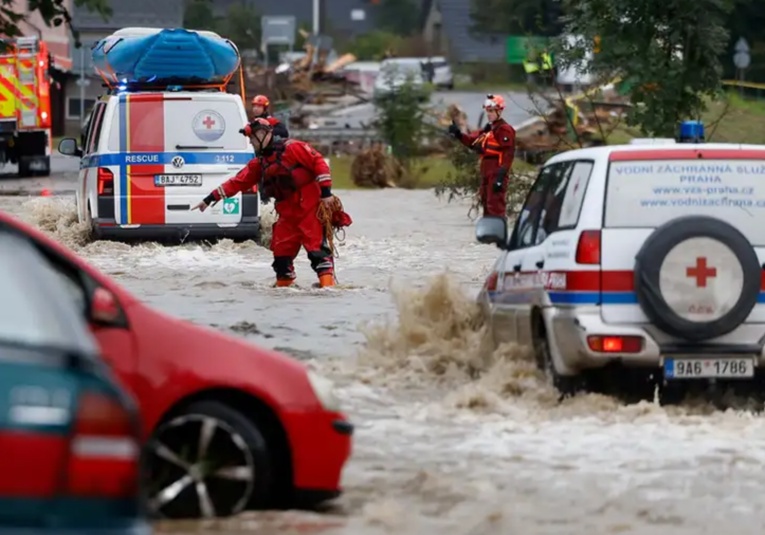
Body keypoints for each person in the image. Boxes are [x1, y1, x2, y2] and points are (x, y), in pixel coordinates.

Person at [192, 118, 339, 288]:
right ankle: (284, 288)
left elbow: (318, 162)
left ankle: (328, 291)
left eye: (253, 139)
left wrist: (326, 193)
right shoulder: (260, 163)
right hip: (286, 213)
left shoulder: (293, 148)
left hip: (309, 208)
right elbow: (238, 182)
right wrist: (210, 199)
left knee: (317, 252)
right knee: (281, 256)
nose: (251, 143)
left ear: (263, 134)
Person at [447, 94, 516, 218]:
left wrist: (500, 176)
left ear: (499, 111)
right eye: (487, 111)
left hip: (496, 171)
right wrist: (459, 134)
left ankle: (497, 231)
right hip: (486, 171)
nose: (488, 114)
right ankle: (489, 233)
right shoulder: (489, 130)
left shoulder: (504, 130)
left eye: (491, 111)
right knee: (486, 202)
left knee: (495, 204)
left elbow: (508, 154)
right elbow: (473, 142)